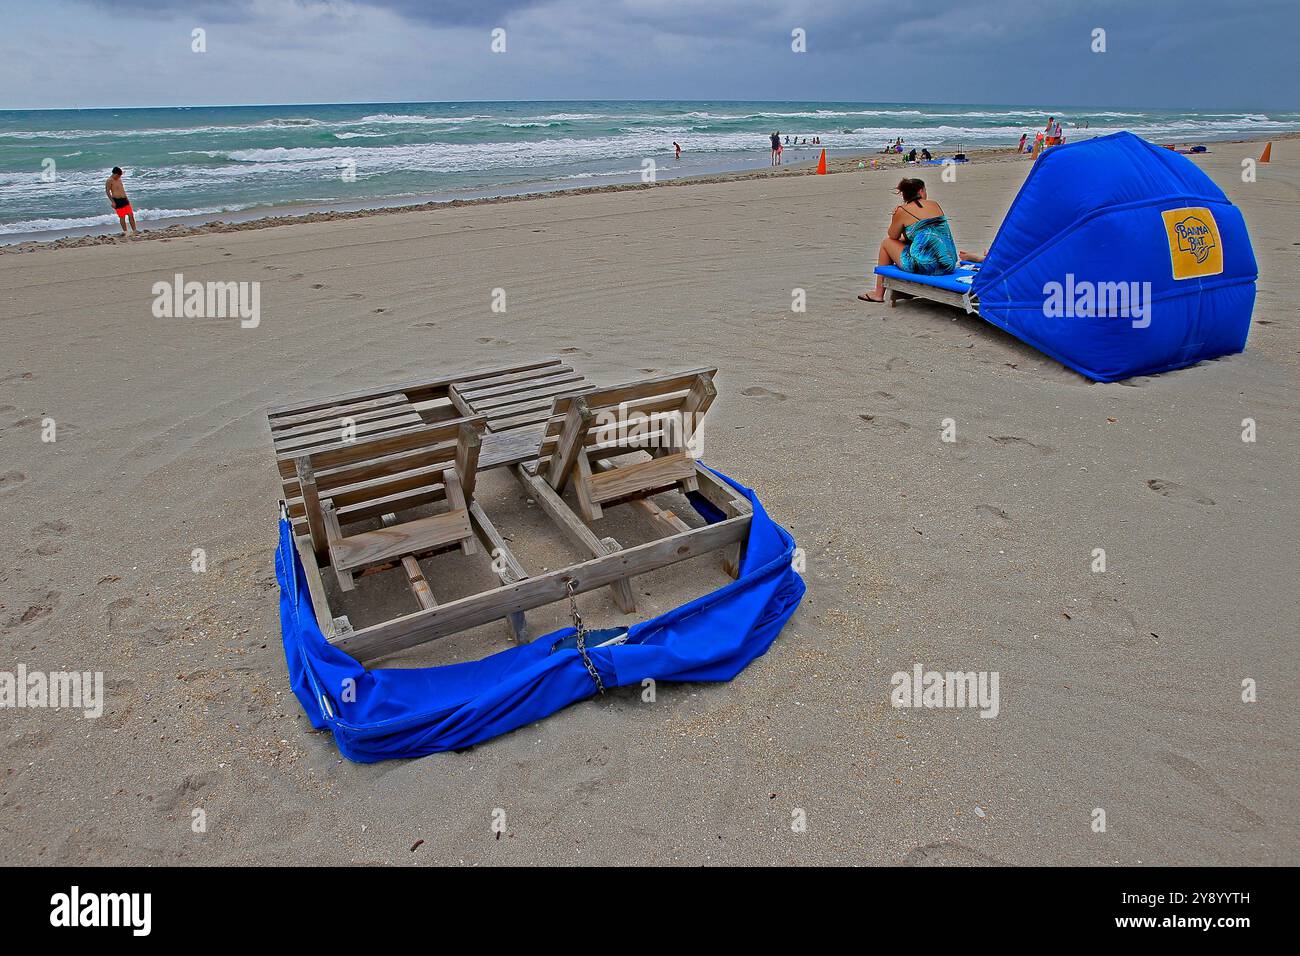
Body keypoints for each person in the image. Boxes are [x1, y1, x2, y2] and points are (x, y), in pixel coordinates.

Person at [858, 177, 958, 302]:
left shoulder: (902, 210)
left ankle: (878, 294)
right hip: (948, 264)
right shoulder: (935, 205)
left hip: (927, 267)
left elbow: (892, 236)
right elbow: (926, 233)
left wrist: (896, 215)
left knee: (886, 244)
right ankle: (901, 291)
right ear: (921, 191)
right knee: (908, 244)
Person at [105, 166, 137, 237]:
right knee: (122, 217)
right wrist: (112, 202)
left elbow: (122, 189)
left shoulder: (119, 179)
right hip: (117, 200)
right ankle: (125, 231)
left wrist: (127, 198)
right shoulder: (109, 180)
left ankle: (134, 230)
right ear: (115, 174)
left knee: (131, 215)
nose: (119, 177)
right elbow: (107, 192)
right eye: (118, 175)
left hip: (124, 199)